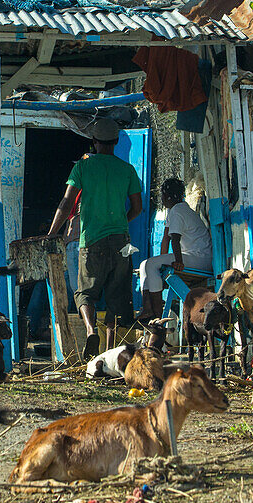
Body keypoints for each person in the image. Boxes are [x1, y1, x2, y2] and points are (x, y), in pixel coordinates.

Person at [48, 119, 142, 360]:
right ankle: (110, 350)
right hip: (121, 240)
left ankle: (91, 330)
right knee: (116, 294)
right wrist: (122, 222)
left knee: (85, 293)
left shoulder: (82, 167)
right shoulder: (127, 169)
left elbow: (66, 203)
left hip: (91, 241)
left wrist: (52, 233)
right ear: (117, 142)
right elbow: (137, 207)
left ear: (94, 141)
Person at [137, 178, 212, 320]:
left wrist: (178, 261)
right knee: (145, 264)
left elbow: (175, 239)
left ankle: (156, 314)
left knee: (150, 264)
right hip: (194, 257)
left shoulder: (177, 211)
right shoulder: (176, 210)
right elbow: (166, 238)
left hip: (199, 258)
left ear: (167, 196)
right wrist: (159, 261)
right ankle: (147, 308)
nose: (162, 199)